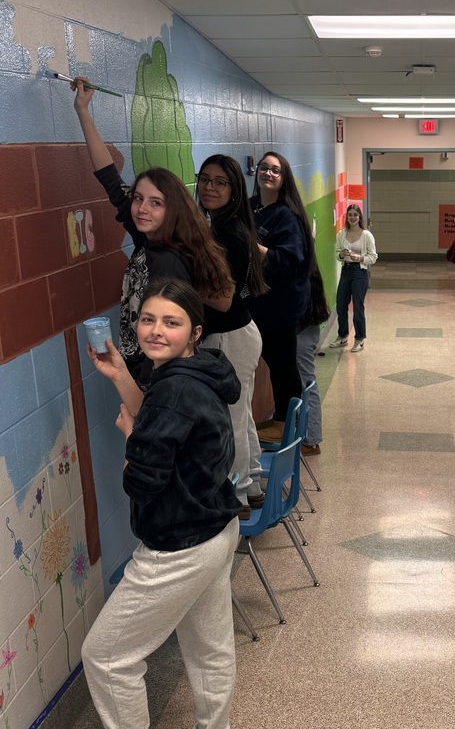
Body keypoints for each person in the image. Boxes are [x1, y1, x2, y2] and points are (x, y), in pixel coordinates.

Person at [81, 278, 242, 729]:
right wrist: (124, 379)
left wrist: (130, 440)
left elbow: (144, 479)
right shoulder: (199, 373)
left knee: (106, 655)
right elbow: (167, 423)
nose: (154, 330)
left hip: (178, 543)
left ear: (193, 331)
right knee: (210, 643)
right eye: (147, 319)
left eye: (170, 322)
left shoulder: (173, 387)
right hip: (218, 527)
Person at [72, 79, 234, 385]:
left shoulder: (169, 261)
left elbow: (168, 331)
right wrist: (83, 110)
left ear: (171, 210)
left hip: (157, 375)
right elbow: (109, 178)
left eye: (155, 203)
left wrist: (146, 383)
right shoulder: (149, 238)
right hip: (144, 370)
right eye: (138, 199)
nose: (142, 208)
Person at [196, 154, 268, 511]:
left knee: (232, 421)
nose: (209, 187)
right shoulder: (228, 227)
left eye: (219, 182)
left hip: (229, 337)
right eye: (204, 179)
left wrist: (180, 288)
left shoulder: (228, 234)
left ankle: (238, 496)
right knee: (241, 416)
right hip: (241, 333)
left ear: (235, 189)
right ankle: (252, 484)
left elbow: (222, 301)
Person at [249, 151, 313, 442]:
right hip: (258, 304)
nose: (268, 173)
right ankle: (280, 420)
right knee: (274, 364)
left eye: (276, 170)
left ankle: (288, 423)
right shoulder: (251, 208)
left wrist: (252, 247)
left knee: (283, 365)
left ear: (284, 178)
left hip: (282, 307)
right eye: (264, 168)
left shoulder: (287, 214)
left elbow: (288, 261)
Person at [329, 204, 378, 352]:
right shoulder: (341, 234)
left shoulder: (366, 235)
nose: (352, 217)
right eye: (350, 215)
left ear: (359, 217)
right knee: (341, 305)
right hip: (346, 271)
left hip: (359, 273)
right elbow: (338, 254)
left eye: (355, 215)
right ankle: (343, 336)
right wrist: (341, 255)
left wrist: (360, 258)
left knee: (358, 307)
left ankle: (359, 339)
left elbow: (373, 257)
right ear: (347, 217)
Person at [297, 262, 330, 454]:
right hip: (308, 329)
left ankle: (311, 440)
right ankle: (309, 437)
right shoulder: (308, 266)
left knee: (306, 383)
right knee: (305, 382)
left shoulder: (300, 272)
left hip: (303, 332)